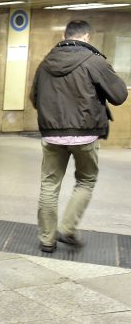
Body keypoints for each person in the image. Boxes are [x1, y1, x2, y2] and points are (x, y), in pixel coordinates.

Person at [30, 20, 127, 253]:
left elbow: (34, 98)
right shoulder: (94, 62)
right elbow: (120, 95)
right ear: (86, 37)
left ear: (65, 36)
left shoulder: (45, 63)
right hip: (86, 135)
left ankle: (47, 239)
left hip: (53, 136)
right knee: (85, 180)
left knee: (49, 185)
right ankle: (68, 228)